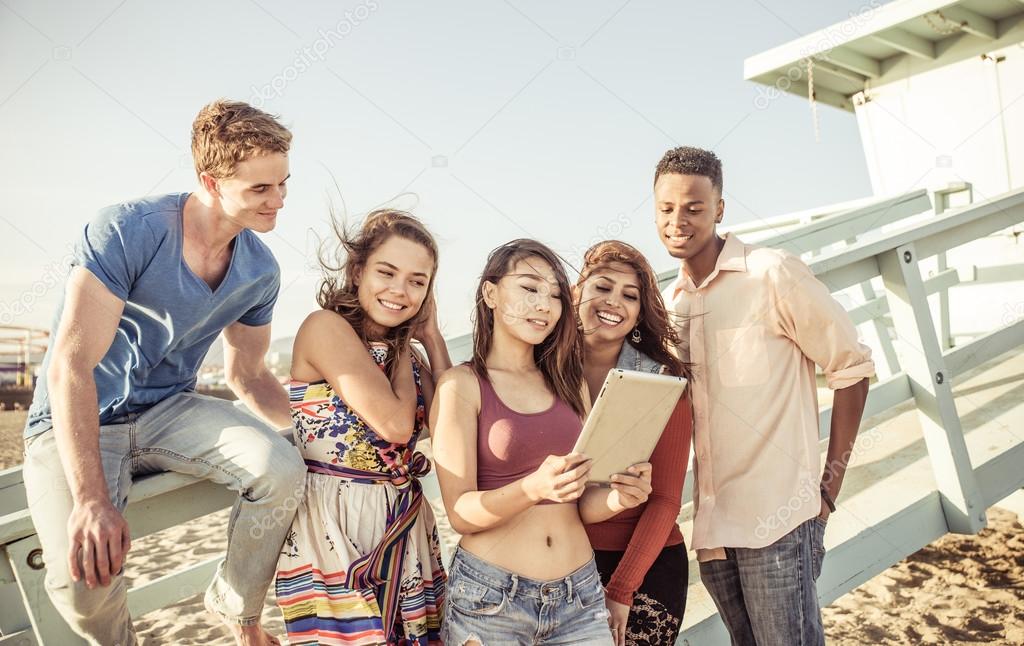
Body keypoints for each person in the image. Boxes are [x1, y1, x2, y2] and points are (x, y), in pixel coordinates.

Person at [22, 99, 303, 646]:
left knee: (282, 469)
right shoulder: (126, 230)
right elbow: (72, 367)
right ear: (211, 181)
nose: (280, 202)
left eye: (284, 184)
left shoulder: (259, 270)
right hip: (75, 420)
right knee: (83, 581)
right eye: (261, 190)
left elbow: (249, 376)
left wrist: (320, 433)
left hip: (169, 411)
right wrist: (92, 500)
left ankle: (236, 610)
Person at [654, 146, 874, 646]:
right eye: (666, 209)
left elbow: (852, 368)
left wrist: (828, 490)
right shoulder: (669, 306)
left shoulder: (772, 273)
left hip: (780, 521)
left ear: (720, 210)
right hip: (712, 530)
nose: (678, 221)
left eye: (693, 207)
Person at [431, 239, 654, 646]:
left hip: (580, 597)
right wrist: (531, 488)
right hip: (491, 601)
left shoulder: (569, 384)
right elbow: (460, 512)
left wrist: (621, 498)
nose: (544, 304)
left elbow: (579, 503)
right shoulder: (461, 385)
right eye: (530, 288)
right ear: (491, 292)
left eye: (554, 294)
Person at [275, 210, 451, 645]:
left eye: (417, 281)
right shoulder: (326, 328)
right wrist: (409, 346)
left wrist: (430, 336)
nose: (399, 290)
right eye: (386, 272)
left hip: (402, 522)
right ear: (357, 271)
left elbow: (453, 424)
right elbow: (393, 424)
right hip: (338, 524)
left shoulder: (405, 352)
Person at [576, 240, 693, 646]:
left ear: (640, 313)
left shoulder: (662, 380)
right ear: (577, 292)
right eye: (602, 287)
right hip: (565, 564)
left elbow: (665, 500)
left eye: (630, 296)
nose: (614, 302)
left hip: (644, 567)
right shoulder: (539, 371)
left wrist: (620, 589)